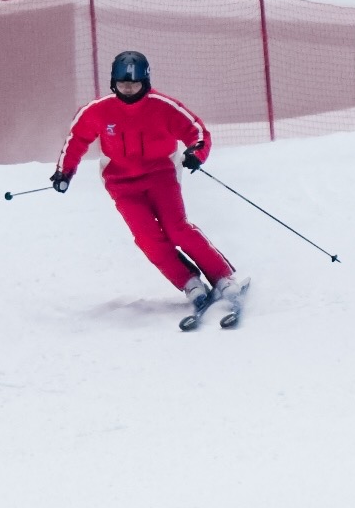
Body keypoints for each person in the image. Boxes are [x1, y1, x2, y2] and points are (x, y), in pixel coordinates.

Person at [51, 49, 244, 327]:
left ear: (146, 82)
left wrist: (196, 153)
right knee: (147, 237)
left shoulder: (163, 106)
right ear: (112, 83)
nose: (128, 89)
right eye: (122, 84)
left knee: (177, 228)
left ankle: (222, 278)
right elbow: (77, 139)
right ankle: (190, 283)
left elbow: (197, 132)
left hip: (160, 175)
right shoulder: (98, 111)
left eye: (134, 84)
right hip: (121, 183)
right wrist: (64, 172)